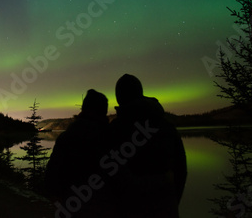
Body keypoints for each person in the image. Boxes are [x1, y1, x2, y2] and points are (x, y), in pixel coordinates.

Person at [109, 74, 187, 218]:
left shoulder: (115, 130)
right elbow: (181, 171)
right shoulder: (166, 126)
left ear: (119, 98)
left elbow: (110, 176)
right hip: (165, 208)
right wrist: (172, 203)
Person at [45, 89, 116, 217]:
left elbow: (52, 174)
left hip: (70, 206)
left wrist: (56, 198)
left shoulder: (66, 138)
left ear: (83, 109)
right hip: (103, 208)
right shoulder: (111, 138)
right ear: (103, 111)